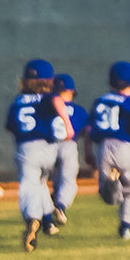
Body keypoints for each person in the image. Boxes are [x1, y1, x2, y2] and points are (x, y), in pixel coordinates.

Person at [7, 59, 69, 251]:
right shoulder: (48, 98)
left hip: (28, 149)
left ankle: (33, 218)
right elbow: (57, 100)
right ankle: (48, 219)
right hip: (49, 149)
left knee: (29, 185)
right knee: (41, 184)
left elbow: (12, 126)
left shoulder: (17, 101)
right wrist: (67, 124)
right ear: (49, 80)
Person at [92, 62, 130, 239]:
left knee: (107, 194)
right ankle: (126, 226)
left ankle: (112, 184)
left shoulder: (100, 101)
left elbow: (88, 131)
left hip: (104, 146)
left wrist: (88, 151)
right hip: (125, 147)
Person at [45, 73, 89, 235]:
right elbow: (85, 131)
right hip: (68, 145)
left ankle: (47, 218)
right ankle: (61, 207)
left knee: (44, 182)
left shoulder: (46, 108)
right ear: (71, 91)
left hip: (46, 146)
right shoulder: (78, 110)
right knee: (68, 181)